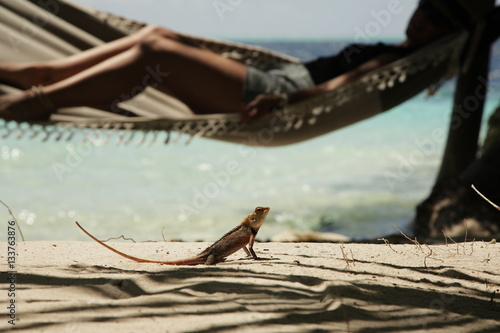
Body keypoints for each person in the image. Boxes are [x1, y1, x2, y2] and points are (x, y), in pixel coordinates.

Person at [0, 1, 457, 123]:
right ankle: (43, 74)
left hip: (268, 91)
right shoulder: (394, 50)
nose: (423, 19)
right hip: (274, 78)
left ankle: (42, 96)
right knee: (159, 35)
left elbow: (343, 87)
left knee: (157, 53)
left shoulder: (398, 61)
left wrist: (283, 100)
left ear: (449, 34)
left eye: (438, 18)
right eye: (425, 6)